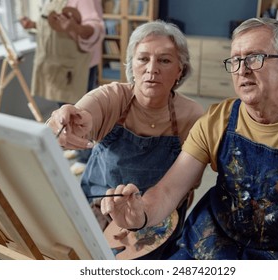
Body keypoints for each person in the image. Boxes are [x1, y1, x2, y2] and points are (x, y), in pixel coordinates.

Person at [100, 17, 278, 260]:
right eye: (235, 60)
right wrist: (141, 213)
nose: (242, 70)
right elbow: (168, 190)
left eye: (255, 58)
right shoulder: (217, 119)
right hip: (208, 244)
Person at [46, 20, 204, 259]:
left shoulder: (192, 115)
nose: (152, 69)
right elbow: (82, 115)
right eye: (143, 59)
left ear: (180, 70)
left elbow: (187, 186)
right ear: (131, 65)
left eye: (164, 60)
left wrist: (142, 215)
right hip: (98, 202)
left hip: (156, 214)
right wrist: (65, 122)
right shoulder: (112, 97)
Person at [20, 0, 105, 174]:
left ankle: (86, 156)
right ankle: (74, 146)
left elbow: (97, 28)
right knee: (64, 109)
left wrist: (75, 28)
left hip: (76, 65)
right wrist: (34, 24)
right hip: (57, 65)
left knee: (80, 112)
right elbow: (52, 24)